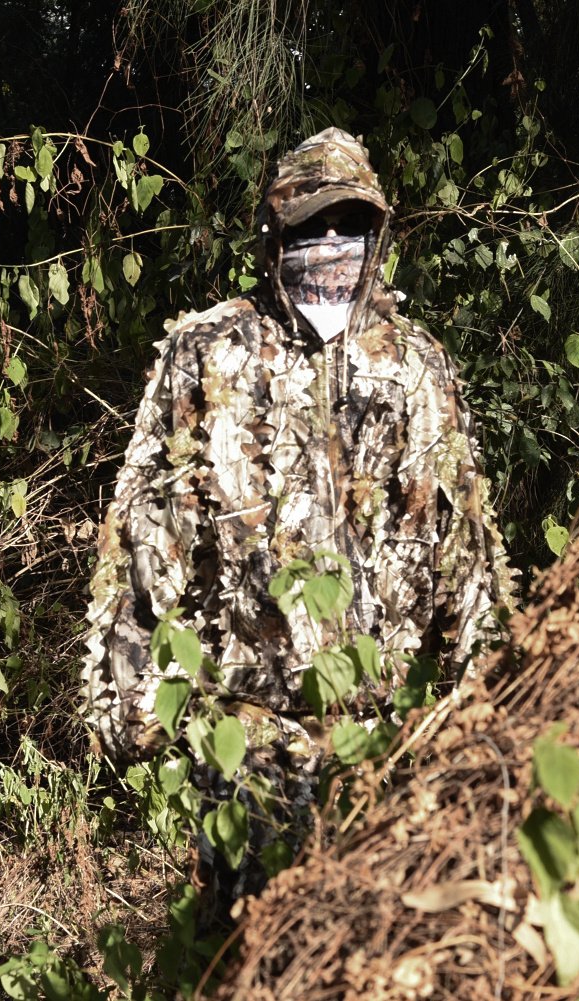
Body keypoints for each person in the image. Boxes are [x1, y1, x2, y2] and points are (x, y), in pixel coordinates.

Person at [82, 127, 512, 768]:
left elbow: (464, 549)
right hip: (244, 743)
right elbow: (147, 534)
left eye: (351, 223)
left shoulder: (417, 365)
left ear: (377, 235)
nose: (332, 241)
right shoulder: (210, 352)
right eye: (312, 223)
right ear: (275, 234)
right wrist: (132, 714)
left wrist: (489, 719)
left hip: (388, 741)